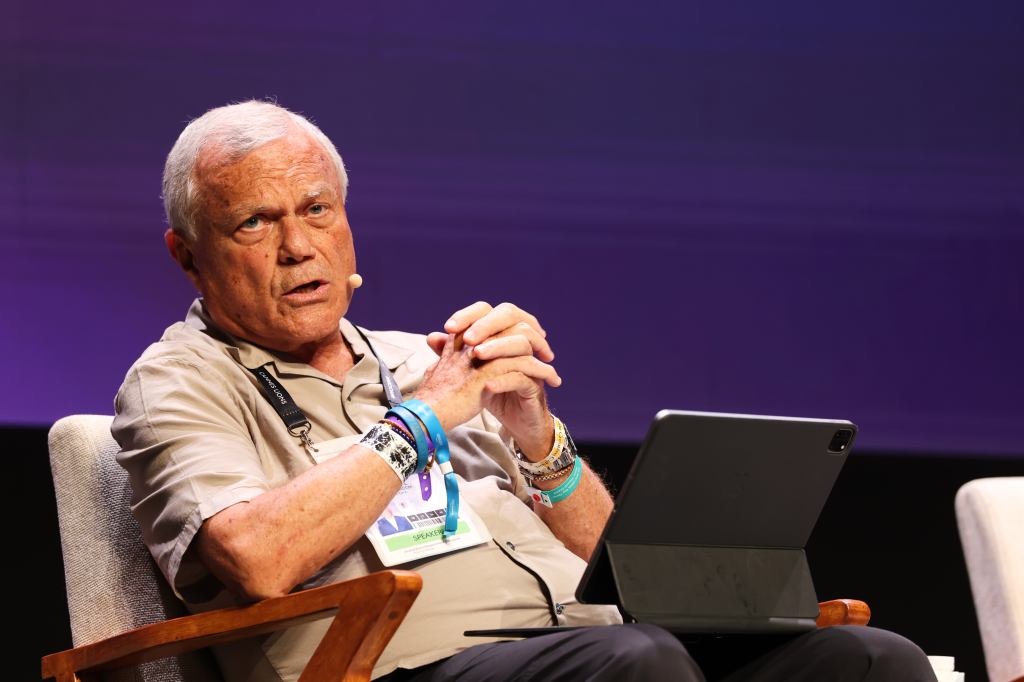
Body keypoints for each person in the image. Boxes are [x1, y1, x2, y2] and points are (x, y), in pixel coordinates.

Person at [113, 100, 936, 681]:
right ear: (188, 255)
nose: (298, 246)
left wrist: (539, 440)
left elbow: (625, 572)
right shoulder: (178, 380)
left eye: (317, 209)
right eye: (255, 223)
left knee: (870, 660)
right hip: (400, 666)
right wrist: (422, 420)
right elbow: (256, 559)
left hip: (586, 644)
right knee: (637, 662)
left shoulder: (426, 359)